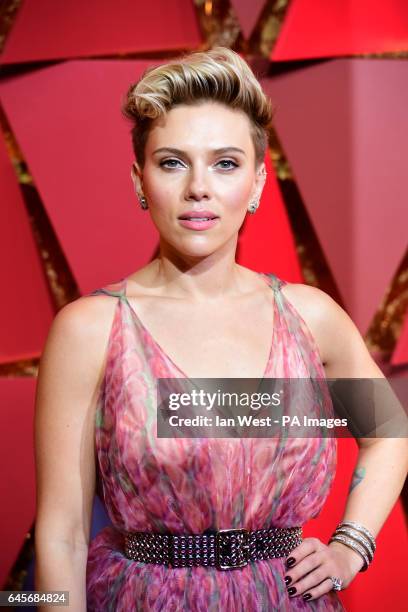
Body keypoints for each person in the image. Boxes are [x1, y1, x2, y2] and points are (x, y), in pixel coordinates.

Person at [34, 47, 408, 611]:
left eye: (225, 163)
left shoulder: (310, 318)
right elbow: (61, 535)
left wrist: (349, 548)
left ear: (258, 183)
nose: (198, 188)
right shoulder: (90, 329)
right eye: (172, 162)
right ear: (140, 180)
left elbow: (389, 436)